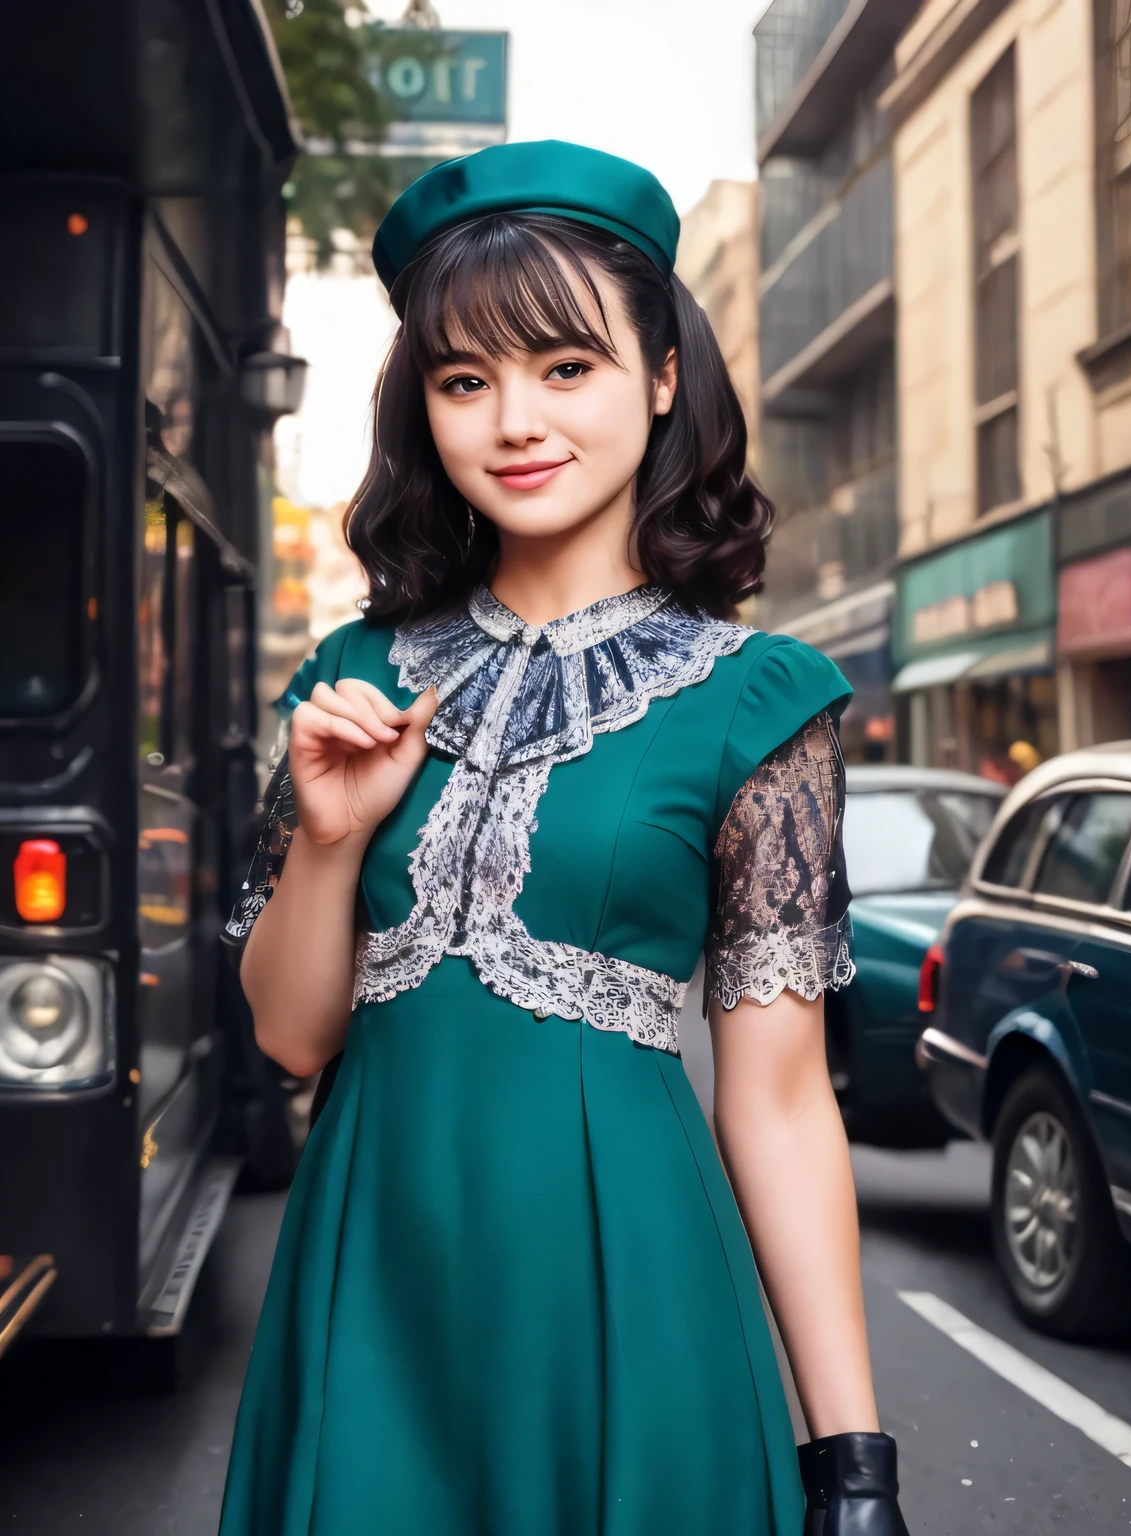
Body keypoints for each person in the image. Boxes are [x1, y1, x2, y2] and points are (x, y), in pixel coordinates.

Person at [218, 140, 910, 1536]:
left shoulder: (758, 699)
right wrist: (332, 841)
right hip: (369, 1286)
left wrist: (854, 1460)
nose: (515, 422)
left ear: (662, 377)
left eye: (566, 366)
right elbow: (290, 1038)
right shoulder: (352, 677)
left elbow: (780, 1101)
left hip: (632, 1295)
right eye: (465, 380)